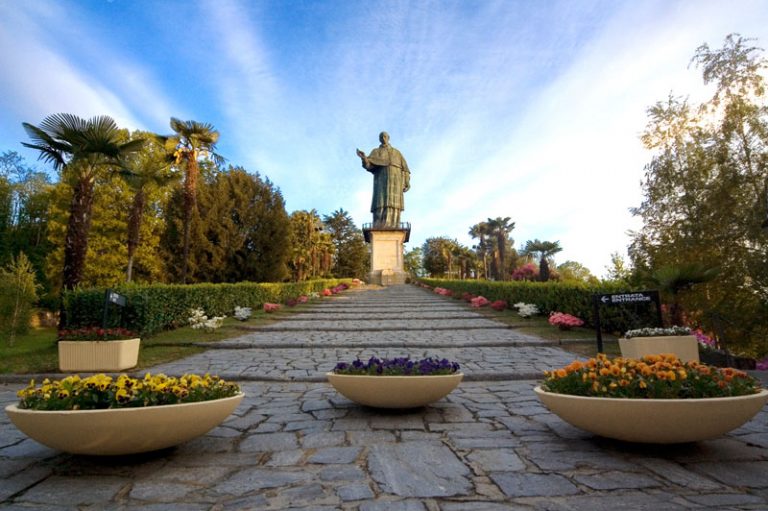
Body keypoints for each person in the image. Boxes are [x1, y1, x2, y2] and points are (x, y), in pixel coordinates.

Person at [356, 132, 410, 228]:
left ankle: (394, 224)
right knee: (381, 201)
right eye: (381, 137)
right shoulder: (376, 152)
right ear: (379, 139)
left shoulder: (397, 153)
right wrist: (364, 158)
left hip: (396, 180)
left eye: (385, 136)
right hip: (381, 179)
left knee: (394, 202)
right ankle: (380, 224)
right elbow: (368, 165)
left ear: (388, 138)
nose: (383, 138)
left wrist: (406, 182)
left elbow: (405, 169)